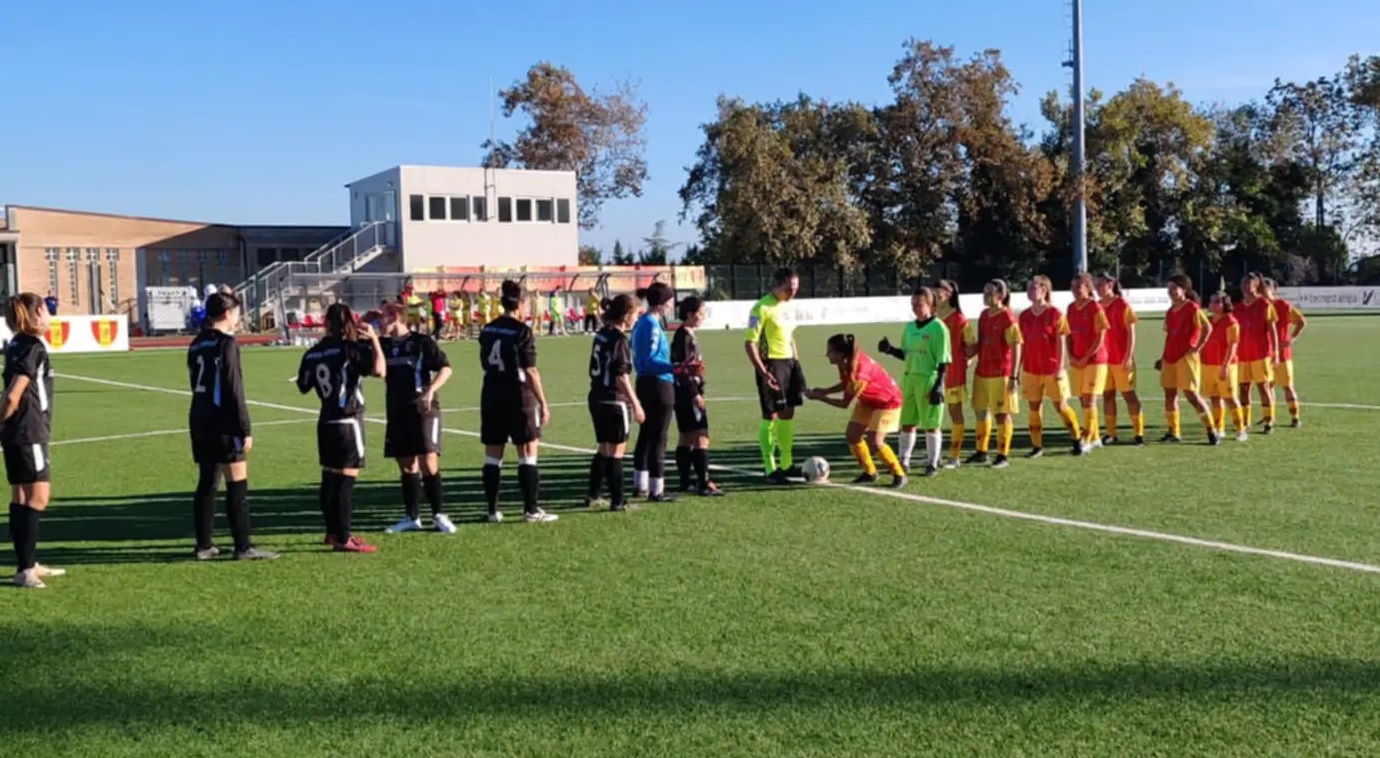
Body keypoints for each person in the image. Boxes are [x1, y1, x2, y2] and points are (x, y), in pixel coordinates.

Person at [187, 292, 278, 562]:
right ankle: (243, 546)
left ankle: (203, 545)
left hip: (200, 419)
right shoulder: (226, 344)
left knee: (207, 481)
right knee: (237, 484)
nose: (238, 317)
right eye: (237, 312)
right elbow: (233, 389)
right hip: (223, 421)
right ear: (227, 313)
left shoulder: (195, 344)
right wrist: (244, 428)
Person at [297, 303, 386, 552]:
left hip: (325, 420)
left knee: (329, 478)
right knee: (346, 480)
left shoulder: (313, 353)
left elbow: (303, 385)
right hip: (348, 421)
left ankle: (332, 532)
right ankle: (344, 537)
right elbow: (380, 370)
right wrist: (375, 341)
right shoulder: (350, 349)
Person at [478, 280, 557, 523]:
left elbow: (484, 362)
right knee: (528, 451)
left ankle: (492, 510)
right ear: (521, 303)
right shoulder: (522, 331)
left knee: (493, 454)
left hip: (491, 393)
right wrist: (543, 402)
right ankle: (531, 510)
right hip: (518, 395)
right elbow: (530, 370)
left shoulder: (488, 329)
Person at [377, 302, 456, 535]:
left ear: (396, 317)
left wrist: (430, 390)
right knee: (406, 466)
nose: (380, 321)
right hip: (397, 410)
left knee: (428, 463)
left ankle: (439, 514)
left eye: (384, 317)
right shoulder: (382, 345)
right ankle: (412, 516)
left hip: (424, 410)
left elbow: (446, 368)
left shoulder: (422, 342)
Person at [4, 293, 64, 588]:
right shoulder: (33, 347)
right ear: (36, 313)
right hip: (30, 431)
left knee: (21, 497)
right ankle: (25, 569)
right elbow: (15, 393)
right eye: (46, 310)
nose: (50, 316)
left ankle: (26, 563)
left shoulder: (15, 344)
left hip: (17, 431)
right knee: (39, 497)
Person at [807, 334, 908, 487]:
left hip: (888, 402)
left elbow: (844, 403)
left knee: (875, 442)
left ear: (841, 354)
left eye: (830, 351)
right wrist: (825, 391)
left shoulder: (859, 372)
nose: (827, 355)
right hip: (869, 400)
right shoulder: (846, 362)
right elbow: (846, 384)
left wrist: (820, 397)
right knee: (852, 435)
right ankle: (870, 472)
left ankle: (899, 474)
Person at [879, 287, 951, 477]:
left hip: (928, 379)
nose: (916, 308)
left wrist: (939, 386)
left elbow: (944, 360)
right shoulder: (910, 328)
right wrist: (889, 349)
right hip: (909, 379)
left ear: (930, 305)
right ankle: (904, 460)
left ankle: (932, 462)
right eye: (913, 305)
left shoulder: (938, 328)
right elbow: (907, 354)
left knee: (931, 424)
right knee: (907, 422)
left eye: (919, 305)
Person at [586, 294, 646, 512]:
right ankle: (618, 501)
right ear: (626, 315)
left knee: (604, 447)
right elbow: (621, 377)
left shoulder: (601, 334)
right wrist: (636, 403)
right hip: (614, 400)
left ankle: (593, 494)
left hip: (596, 396)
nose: (636, 320)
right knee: (616, 452)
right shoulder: (620, 340)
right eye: (635, 315)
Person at [746, 267, 806, 484]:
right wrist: (763, 371)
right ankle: (770, 468)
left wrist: (796, 363)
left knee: (788, 413)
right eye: (789, 288)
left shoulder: (789, 307)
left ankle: (787, 463)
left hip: (789, 363)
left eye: (796, 289)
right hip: (771, 364)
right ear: (778, 284)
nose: (793, 293)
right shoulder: (761, 308)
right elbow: (750, 343)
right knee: (771, 415)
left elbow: (790, 337)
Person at [1018, 276, 1083, 458]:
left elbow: (1061, 342)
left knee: (1061, 406)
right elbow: (1021, 345)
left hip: (1052, 369)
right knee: (1033, 408)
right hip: (1031, 369)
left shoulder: (1055, 314)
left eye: (1033, 288)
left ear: (1044, 289)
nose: (1030, 291)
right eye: (1028, 288)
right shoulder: (1024, 316)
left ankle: (1077, 438)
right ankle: (1037, 446)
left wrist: (1060, 368)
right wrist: (1018, 370)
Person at [1157, 274, 1219, 445]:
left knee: (1191, 394)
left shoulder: (1192, 308)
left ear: (1183, 290)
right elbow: (1169, 336)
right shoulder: (1170, 312)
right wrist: (1162, 357)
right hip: (1170, 357)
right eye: (1168, 288)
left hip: (1186, 357)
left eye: (1174, 288)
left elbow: (1208, 327)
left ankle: (1211, 429)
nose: (1170, 292)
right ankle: (1174, 432)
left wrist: (1197, 347)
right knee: (1169, 395)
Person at [631, 283, 678, 502]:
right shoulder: (651, 324)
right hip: (658, 384)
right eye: (669, 301)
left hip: (644, 383)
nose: (671, 305)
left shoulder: (642, 322)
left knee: (647, 434)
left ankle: (640, 483)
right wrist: (675, 367)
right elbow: (650, 360)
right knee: (659, 437)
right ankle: (656, 488)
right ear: (662, 303)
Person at [968, 280, 1023, 468]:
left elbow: (1016, 346)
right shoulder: (984, 315)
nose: (985, 296)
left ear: (1000, 296)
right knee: (981, 412)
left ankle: (1002, 455)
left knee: (1002, 414)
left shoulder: (1007, 317)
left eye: (989, 293)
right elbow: (982, 343)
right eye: (984, 292)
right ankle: (981, 451)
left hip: (1001, 373)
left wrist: (1014, 376)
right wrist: (968, 355)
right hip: (982, 371)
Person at [671, 296, 723, 496]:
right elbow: (683, 369)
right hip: (687, 393)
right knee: (701, 436)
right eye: (701, 313)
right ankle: (703, 482)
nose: (703, 317)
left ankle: (686, 481)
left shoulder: (685, 335)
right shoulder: (684, 337)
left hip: (681, 392)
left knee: (686, 437)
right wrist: (695, 393)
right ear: (691, 314)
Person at [1095, 273, 1145, 446]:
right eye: (1096, 285)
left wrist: (1128, 356)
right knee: (1108, 395)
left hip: (1121, 358)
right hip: (1104, 360)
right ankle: (1111, 433)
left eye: (1101, 284)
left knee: (1129, 395)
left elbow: (1131, 332)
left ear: (1111, 284)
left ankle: (1139, 434)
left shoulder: (1122, 304)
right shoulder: (1097, 306)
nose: (1098, 288)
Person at [1066, 273, 1110, 450]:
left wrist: (1085, 357)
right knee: (1084, 400)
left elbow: (1100, 337)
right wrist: (1071, 355)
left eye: (1079, 287)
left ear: (1088, 288)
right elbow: (1068, 334)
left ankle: (1087, 438)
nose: (1075, 291)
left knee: (1090, 400)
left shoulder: (1095, 307)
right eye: (1073, 287)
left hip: (1095, 361)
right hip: (1077, 360)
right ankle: (1097, 437)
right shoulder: (1070, 308)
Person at [935, 280, 976, 468]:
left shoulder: (959, 319)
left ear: (949, 294)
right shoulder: (932, 317)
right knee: (933, 415)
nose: (936, 292)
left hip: (953, 373)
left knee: (954, 413)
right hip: (932, 372)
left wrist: (967, 359)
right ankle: (935, 454)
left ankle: (955, 455)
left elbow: (972, 346)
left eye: (940, 289)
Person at [1235, 272, 1279, 433]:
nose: (1246, 287)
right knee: (1244, 388)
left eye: (1249, 284)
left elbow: (1272, 330)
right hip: (1242, 355)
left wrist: (1276, 353)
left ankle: (1269, 421)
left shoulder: (1264, 305)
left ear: (1256, 285)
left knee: (1263, 387)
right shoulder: (1238, 307)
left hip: (1261, 354)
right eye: (1243, 284)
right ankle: (1245, 422)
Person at [1201, 291, 1248, 442]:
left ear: (1224, 304)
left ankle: (1241, 429)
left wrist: (1225, 365)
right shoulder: (1207, 321)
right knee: (1214, 397)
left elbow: (1232, 345)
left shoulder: (1231, 322)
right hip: (1208, 363)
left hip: (1225, 364)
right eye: (1211, 301)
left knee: (1230, 398)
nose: (1212, 304)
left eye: (1217, 302)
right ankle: (1219, 427)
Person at [1263, 278, 1307, 427]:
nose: (1262, 290)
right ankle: (1270, 416)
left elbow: (1301, 321)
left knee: (1287, 386)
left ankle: (1295, 417)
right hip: (1265, 354)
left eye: (1265, 287)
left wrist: (1292, 338)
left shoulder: (1283, 305)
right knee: (1268, 386)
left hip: (1282, 354)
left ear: (1273, 289)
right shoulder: (1260, 306)